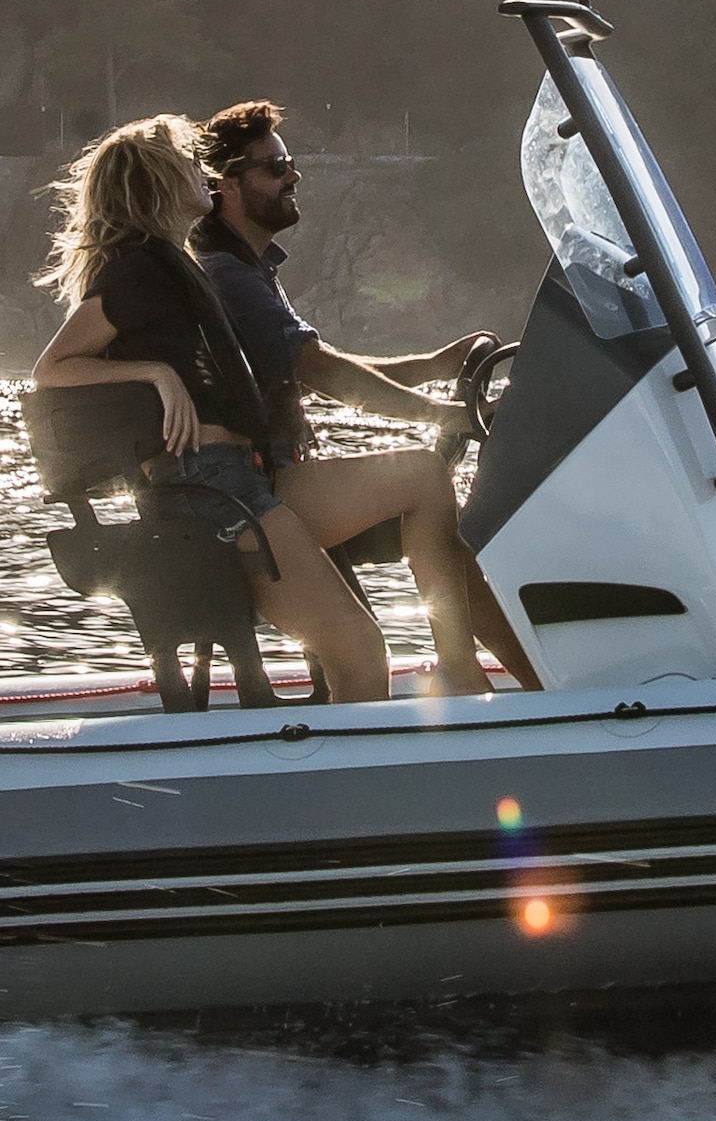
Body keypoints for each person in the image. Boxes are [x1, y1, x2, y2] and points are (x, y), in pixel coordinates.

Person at [27, 115, 395, 703]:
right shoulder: (143, 268)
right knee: (359, 650)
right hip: (214, 491)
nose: (205, 173)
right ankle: (364, 782)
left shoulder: (167, 264)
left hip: (225, 479)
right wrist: (156, 374)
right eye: (189, 163)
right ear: (159, 181)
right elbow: (52, 368)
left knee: (368, 621)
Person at [196, 100, 545, 697]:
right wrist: (443, 414)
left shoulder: (250, 269)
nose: (293, 176)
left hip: (276, 479)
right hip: (257, 490)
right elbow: (319, 370)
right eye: (275, 166)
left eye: (291, 162)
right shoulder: (227, 273)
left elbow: (320, 362)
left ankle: (547, 688)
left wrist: (432, 366)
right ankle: (459, 673)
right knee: (421, 473)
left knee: (449, 545)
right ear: (227, 184)